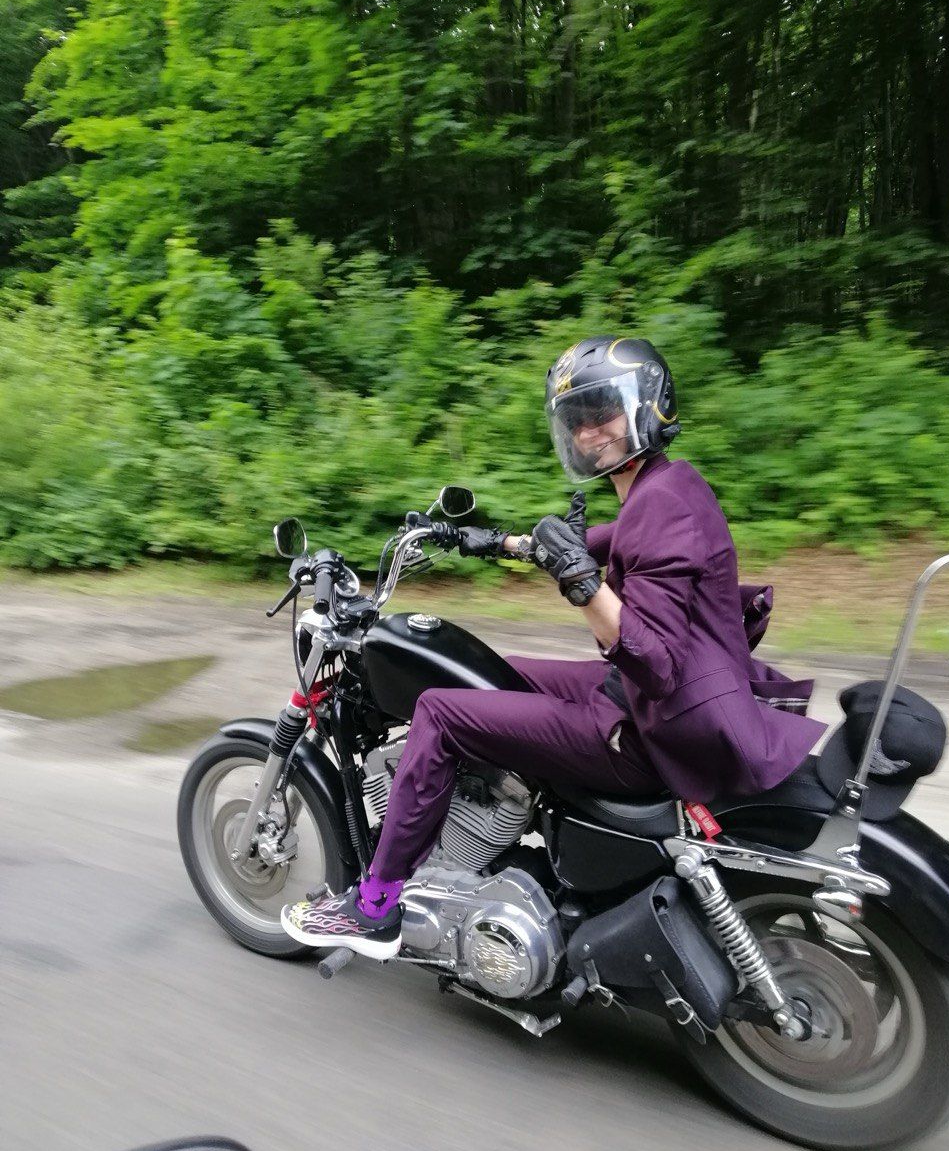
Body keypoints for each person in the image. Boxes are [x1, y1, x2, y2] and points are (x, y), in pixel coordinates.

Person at [280, 335, 826, 959]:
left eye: (605, 414)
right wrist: (487, 541)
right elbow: (593, 543)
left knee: (438, 708)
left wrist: (582, 585)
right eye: (579, 420)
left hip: (656, 728)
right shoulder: (666, 488)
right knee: (487, 672)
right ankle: (490, 821)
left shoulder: (661, 509)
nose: (590, 433)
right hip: (656, 702)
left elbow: (654, 660)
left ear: (648, 408)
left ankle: (375, 907)